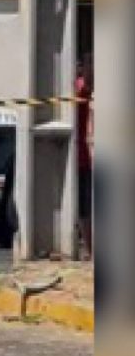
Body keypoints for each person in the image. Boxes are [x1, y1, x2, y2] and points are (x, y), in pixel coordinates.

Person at [76, 55, 94, 260]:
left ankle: (91, 250)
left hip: (84, 156)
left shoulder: (83, 88)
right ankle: (90, 250)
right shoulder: (77, 89)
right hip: (78, 156)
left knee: (86, 206)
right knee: (84, 206)